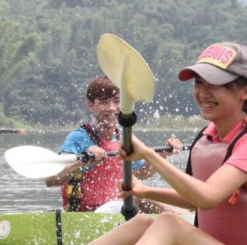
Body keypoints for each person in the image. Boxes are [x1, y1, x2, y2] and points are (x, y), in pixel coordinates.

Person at [58, 42, 247, 245]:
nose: (203, 92)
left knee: (169, 224)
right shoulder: (209, 137)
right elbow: (195, 201)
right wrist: (145, 191)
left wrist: (149, 155)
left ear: (246, 91)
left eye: (215, 85)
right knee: (143, 222)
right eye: (199, 83)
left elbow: (205, 198)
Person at [44, 75, 173, 213]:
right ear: (91, 105)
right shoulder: (78, 138)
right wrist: (83, 162)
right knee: (142, 199)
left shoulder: (124, 137)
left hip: (116, 209)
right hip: (85, 214)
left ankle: (184, 221)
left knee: (151, 198)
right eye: (104, 102)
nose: (111, 108)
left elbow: (141, 173)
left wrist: (162, 156)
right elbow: (51, 180)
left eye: (117, 101)